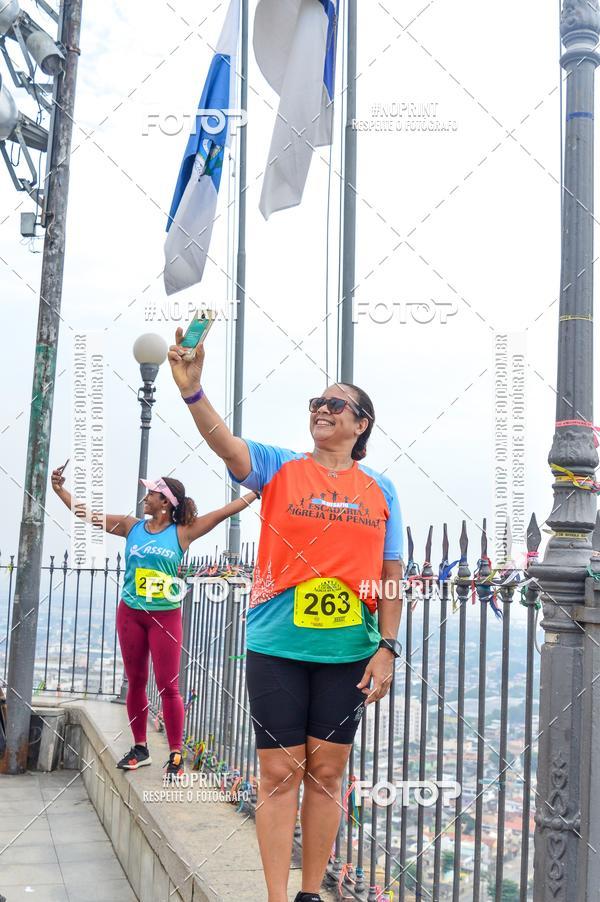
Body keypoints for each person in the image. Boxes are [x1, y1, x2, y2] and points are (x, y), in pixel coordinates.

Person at [168, 333, 404, 902]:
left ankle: (311, 892)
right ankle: (277, 897)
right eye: (316, 404)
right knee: (277, 775)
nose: (322, 410)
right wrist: (193, 390)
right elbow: (226, 447)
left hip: (348, 652)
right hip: (276, 646)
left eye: (336, 404)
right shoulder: (278, 467)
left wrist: (388, 647)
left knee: (326, 774)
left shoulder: (383, 490)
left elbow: (391, 574)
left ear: (362, 424)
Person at [51, 469, 257, 781]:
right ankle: (140, 748)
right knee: (135, 681)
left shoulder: (183, 532)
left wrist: (258, 490)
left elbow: (224, 512)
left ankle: (175, 753)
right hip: (131, 613)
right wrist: (59, 491)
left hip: (165, 617)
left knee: (168, 685)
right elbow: (89, 516)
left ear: (165, 502)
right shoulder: (131, 526)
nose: (145, 497)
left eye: (151, 494)